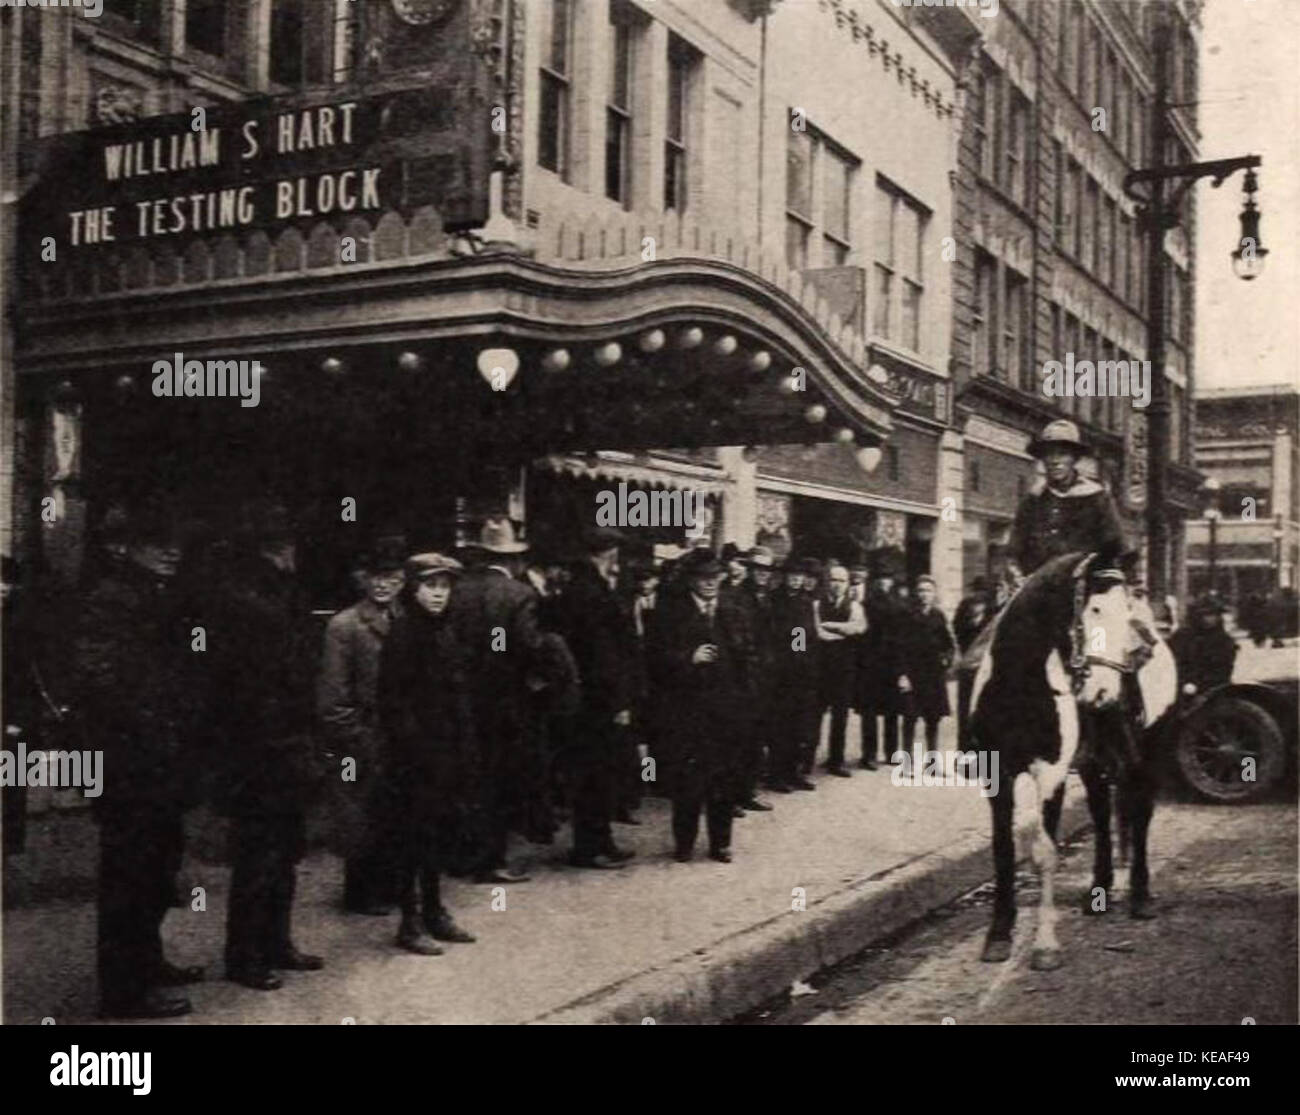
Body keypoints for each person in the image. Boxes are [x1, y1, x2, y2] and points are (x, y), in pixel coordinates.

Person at [73, 501, 205, 1018]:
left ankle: (147, 962)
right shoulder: (110, 600)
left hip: (158, 763)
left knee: (156, 870)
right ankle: (124, 992)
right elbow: (102, 681)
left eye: (174, 543)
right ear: (126, 548)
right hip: (128, 766)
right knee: (128, 878)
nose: (171, 552)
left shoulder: (156, 595)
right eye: (158, 543)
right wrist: (155, 725)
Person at [210, 500, 323, 991]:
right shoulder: (258, 602)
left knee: (279, 851)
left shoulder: (261, 595)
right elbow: (263, 685)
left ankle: (272, 944)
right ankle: (248, 955)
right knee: (263, 855)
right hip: (264, 751)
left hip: (277, 746)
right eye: (287, 544)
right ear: (276, 549)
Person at [378, 553, 478, 954]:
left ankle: (436, 911)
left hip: (446, 755)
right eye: (430, 586)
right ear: (413, 589)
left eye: (444, 587)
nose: (438, 594)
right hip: (415, 760)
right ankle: (410, 921)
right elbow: (393, 704)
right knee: (411, 840)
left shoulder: (446, 631)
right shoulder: (403, 635)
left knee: (437, 838)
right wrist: (417, 753)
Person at [452, 516, 549, 884]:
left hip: (463, 698)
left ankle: (460, 854)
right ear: (511, 560)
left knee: (467, 777)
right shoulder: (518, 594)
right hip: (506, 702)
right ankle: (490, 860)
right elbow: (526, 646)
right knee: (500, 780)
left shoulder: (458, 588)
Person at [317, 537, 407, 915]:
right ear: (363, 581)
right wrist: (356, 737)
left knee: (393, 812)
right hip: (362, 735)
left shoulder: (407, 618)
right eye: (376, 578)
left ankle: (389, 886)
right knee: (359, 815)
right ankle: (360, 892)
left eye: (391, 577)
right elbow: (332, 695)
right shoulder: (345, 625)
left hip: (399, 733)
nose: (383, 585)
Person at [651, 549, 756, 863]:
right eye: (703, 578)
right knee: (688, 782)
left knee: (723, 780)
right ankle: (684, 843)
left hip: (727, 712)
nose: (710, 584)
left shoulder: (734, 610)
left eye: (715, 577)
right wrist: (687, 658)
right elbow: (653, 658)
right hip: (687, 712)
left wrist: (747, 704)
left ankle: (720, 843)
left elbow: (750, 657)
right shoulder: (670, 613)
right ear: (691, 581)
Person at [555, 527, 637, 870]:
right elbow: (603, 655)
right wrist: (618, 701)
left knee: (593, 774)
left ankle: (599, 842)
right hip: (597, 700)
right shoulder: (594, 591)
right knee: (596, 775)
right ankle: (591, 848)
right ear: (607, 554)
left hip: (583, 696)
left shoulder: (578, 587)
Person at [1010, 419, 1124, 576]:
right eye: (1049, 455)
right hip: (1039, 586)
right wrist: (1014, 570)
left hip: (1085, 583)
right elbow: (1015, 548)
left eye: (1062, 454)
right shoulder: (1033, 500)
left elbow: (1115, 545)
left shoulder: (1096, 497)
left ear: (1074, 459)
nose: (1055, 461)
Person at [768, 559, 819, 792]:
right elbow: (785, 636)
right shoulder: (775, 600)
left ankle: (794, 772)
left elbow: (807, 636)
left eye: (800, 576)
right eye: (792, 575)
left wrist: (806, 662)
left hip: (801, 672)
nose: (797, 579)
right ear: (785, 577)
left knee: (800, 726)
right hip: (781, 672)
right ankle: (777, 775)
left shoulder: (805, 602)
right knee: (780, 727)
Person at [815, 561, 866, 777]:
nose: (837, 584)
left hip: (844, 668)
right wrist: (841, 633)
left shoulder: (855, 606)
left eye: (842, 581)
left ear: (848, 584)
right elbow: (815, 631)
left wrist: (832, 627)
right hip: (820, 667)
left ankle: (836, 760)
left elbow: (859, 627)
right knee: (815, 713)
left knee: (840, 715)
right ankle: (807, 757)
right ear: (827, 582)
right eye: (834, 580)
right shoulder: (817, 605)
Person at [898, 575, 956, 757]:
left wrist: (947, 660)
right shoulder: (907, 615)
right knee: (910, 717)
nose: (924, 595)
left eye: (928, 591)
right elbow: (899, 647)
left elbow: (949, 644)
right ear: (916, 593)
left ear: (934, 594)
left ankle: (932, 762)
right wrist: (902, 675)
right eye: (921, 590)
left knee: (933, 719)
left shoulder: (938, 615)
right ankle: (907, 761)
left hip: (933, 675)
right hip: (913, 673)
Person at [859, 547, 905, 767]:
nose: (884, 582)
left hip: (891, 662)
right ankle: (869, 754)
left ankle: (891, 751)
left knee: (892, 711)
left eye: (887, 578)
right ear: (875, 581)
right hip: (870, 662)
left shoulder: (898, 603)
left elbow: (903, 635)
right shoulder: (868, 603)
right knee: (869, 711)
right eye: (880, 578)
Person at [953, 576, 993, 749]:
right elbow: (956, 631)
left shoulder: (993, 613)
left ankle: (982, 753)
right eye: (976, 591)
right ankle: (963, 751)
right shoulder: (963, 609)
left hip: (985, 668)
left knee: (984, 712)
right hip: (968, 666)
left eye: (982, 592)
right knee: (964, 711)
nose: (978, 596)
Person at [1169, 596, 1237, 696]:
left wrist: (1201, 684)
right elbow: (1173, 663)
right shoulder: (1182, 636)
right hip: (1184, 688)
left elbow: (1224, 670)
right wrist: (1187, 682)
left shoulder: (1224, 640)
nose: (1208, 619)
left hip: (1214, 689)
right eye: (1204, 615)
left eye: (1212, 614)